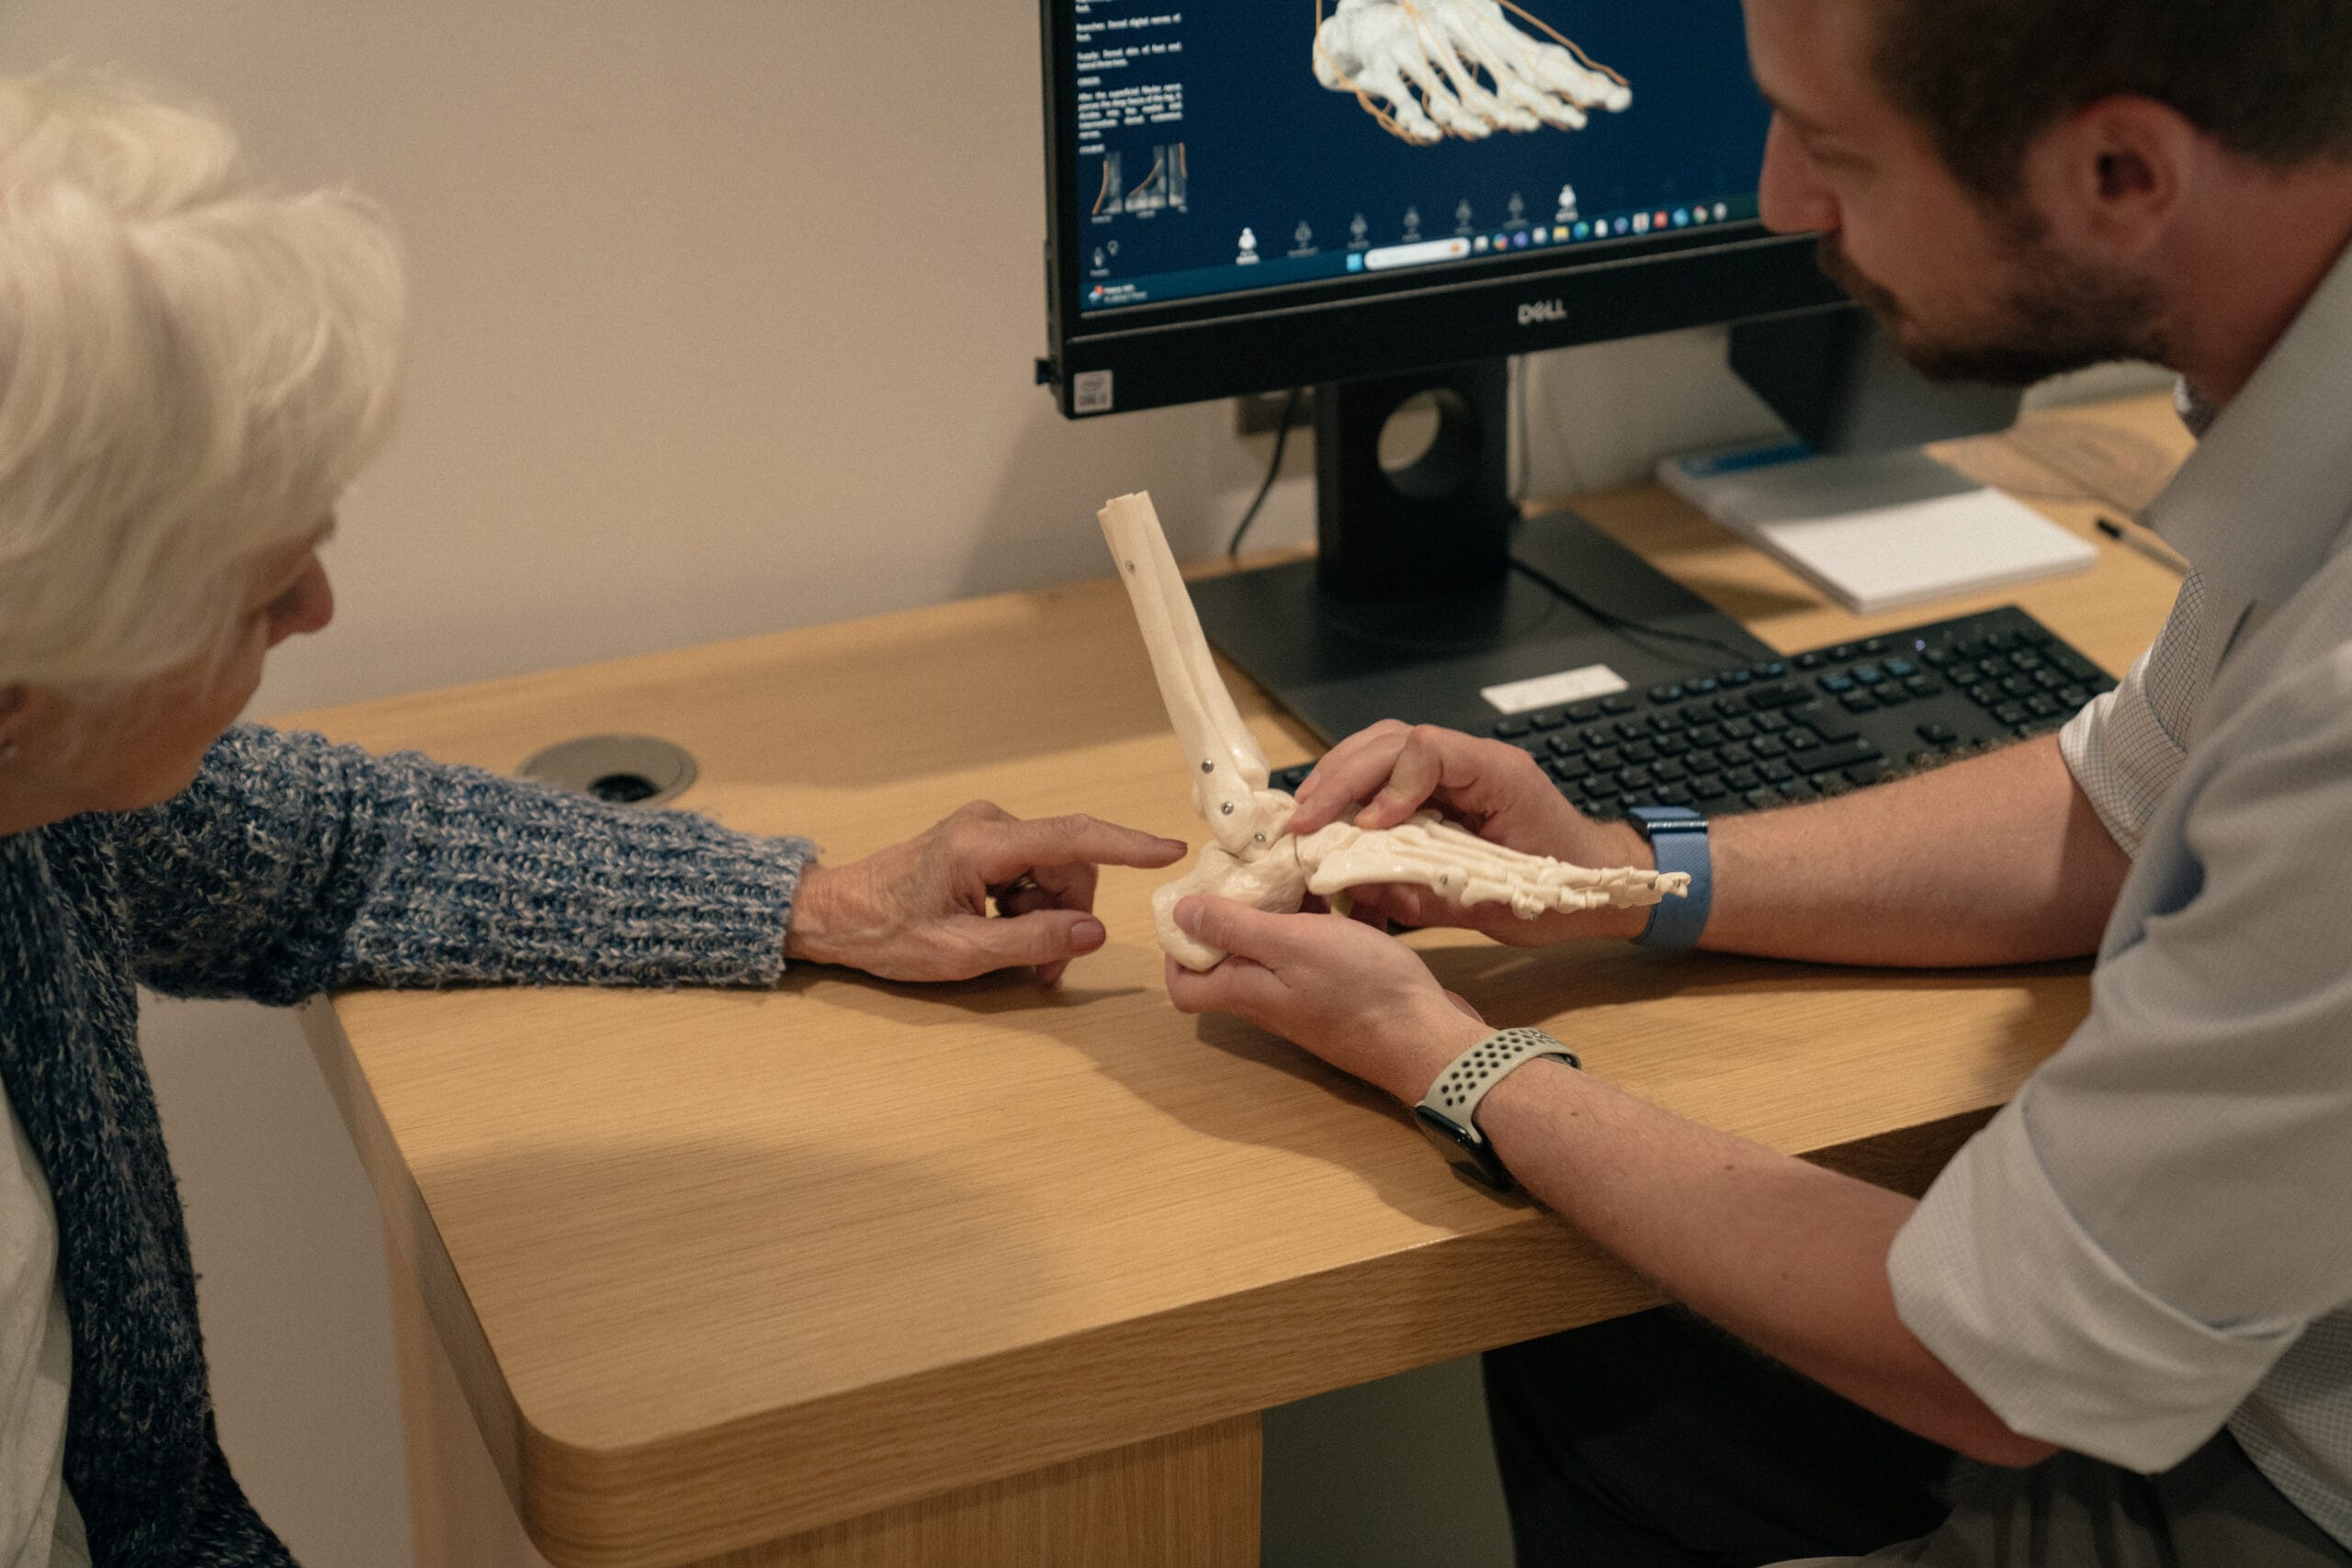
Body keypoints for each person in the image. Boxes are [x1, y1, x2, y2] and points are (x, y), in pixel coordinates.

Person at [1167, 1, 2352, 1563]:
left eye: (1837, 145)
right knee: (1600, 1353)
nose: (1784, 198)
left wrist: (1445, 1058)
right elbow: (2121, 800)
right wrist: (1606, 873)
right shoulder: (2298, 404)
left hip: (2278, 1479)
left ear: (2123, 171)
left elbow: (1994, 1364)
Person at [0, 72, 1185, 1565]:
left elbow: (349, 846)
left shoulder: (43, 805)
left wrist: (822, 902)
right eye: (254, 589)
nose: (316, 609)